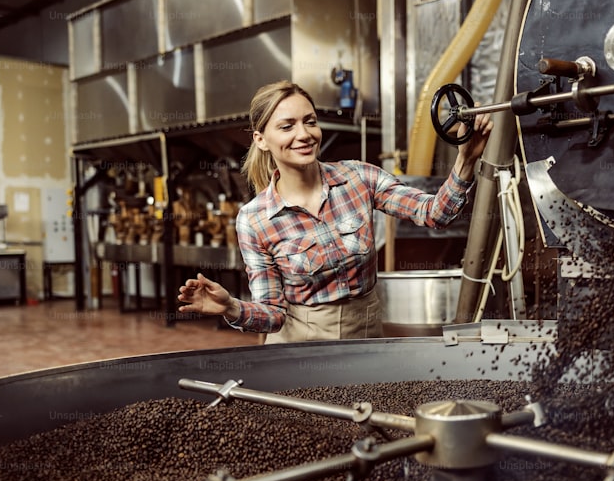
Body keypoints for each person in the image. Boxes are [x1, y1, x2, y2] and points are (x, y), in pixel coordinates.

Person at [177, 79, 492, 342]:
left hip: (365, 336)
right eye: (287, 126)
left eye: (309, 121)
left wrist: (466, 160)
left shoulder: (359, 178)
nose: (304, 135)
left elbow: (434, 214)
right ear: (261, 140)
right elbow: (272, 315)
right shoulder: (254, 219)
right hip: (300, 349)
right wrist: (230, 307)